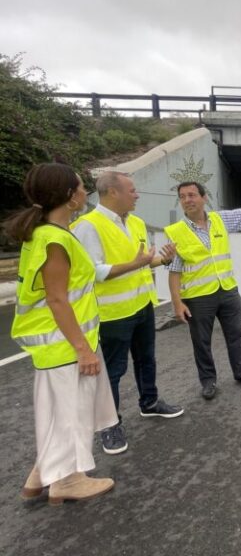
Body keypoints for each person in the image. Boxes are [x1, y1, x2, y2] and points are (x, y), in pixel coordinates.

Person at [7, 163, 116, 505]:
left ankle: (41, 476)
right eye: (82, 187)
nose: (86, 193)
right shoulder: (54, 239)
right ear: (70, 197)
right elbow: (57, 299)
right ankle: (67, 481)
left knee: (59, 412)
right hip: (65, 342)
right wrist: (84, 349)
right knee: (73, 413)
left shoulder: (42, 233)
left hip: (55, 342)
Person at [71, 170, 184, 455]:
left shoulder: (134, 222)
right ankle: (110, 424)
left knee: (147, 359)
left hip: (142, 305)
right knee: (113, 371)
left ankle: (150, 403)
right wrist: (138, 263)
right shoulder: (88, 226)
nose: (137, 195)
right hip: (112, 313)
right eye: (132, 190)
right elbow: (94, 273)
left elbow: (142, 263)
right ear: (112, 193)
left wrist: (162, 259)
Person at [164, 182, 241, 400]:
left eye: (192, 195)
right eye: (183, 196)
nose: (187, 200)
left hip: (228, 291)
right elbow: (174, 271)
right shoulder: (175, 232)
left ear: (204, 198)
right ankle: (208, 381)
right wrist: (177, 303)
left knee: (235, 335)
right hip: (197, 297)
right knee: (201, 342)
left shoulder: (219, 220)